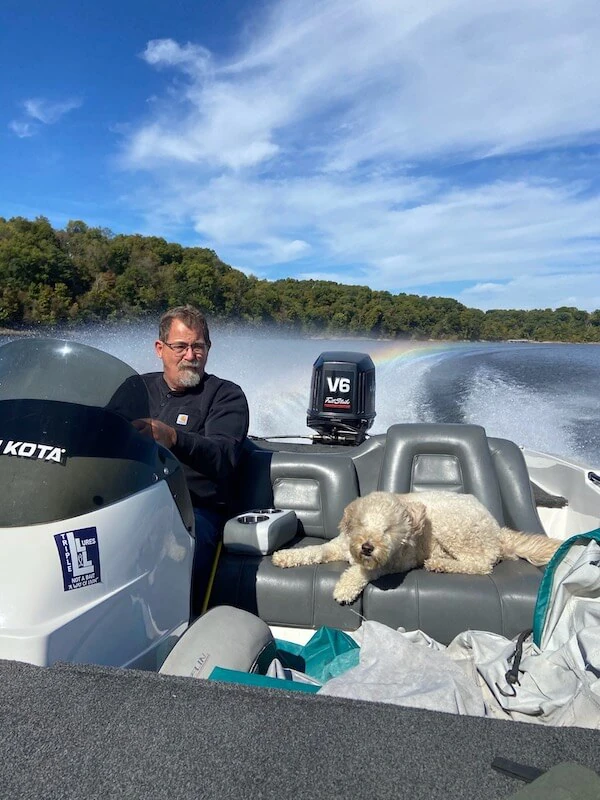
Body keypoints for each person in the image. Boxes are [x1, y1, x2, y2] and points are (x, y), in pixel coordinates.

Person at [133, 304, 249, 617]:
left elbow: (224, 457)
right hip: (127, 499)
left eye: (198, 346)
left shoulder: (226, 396)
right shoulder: (134, 389)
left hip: (192, 510)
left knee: (170, 552)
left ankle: (175, 632)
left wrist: (174, 438)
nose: (190, 355)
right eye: (181, 346)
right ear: (160, 349)